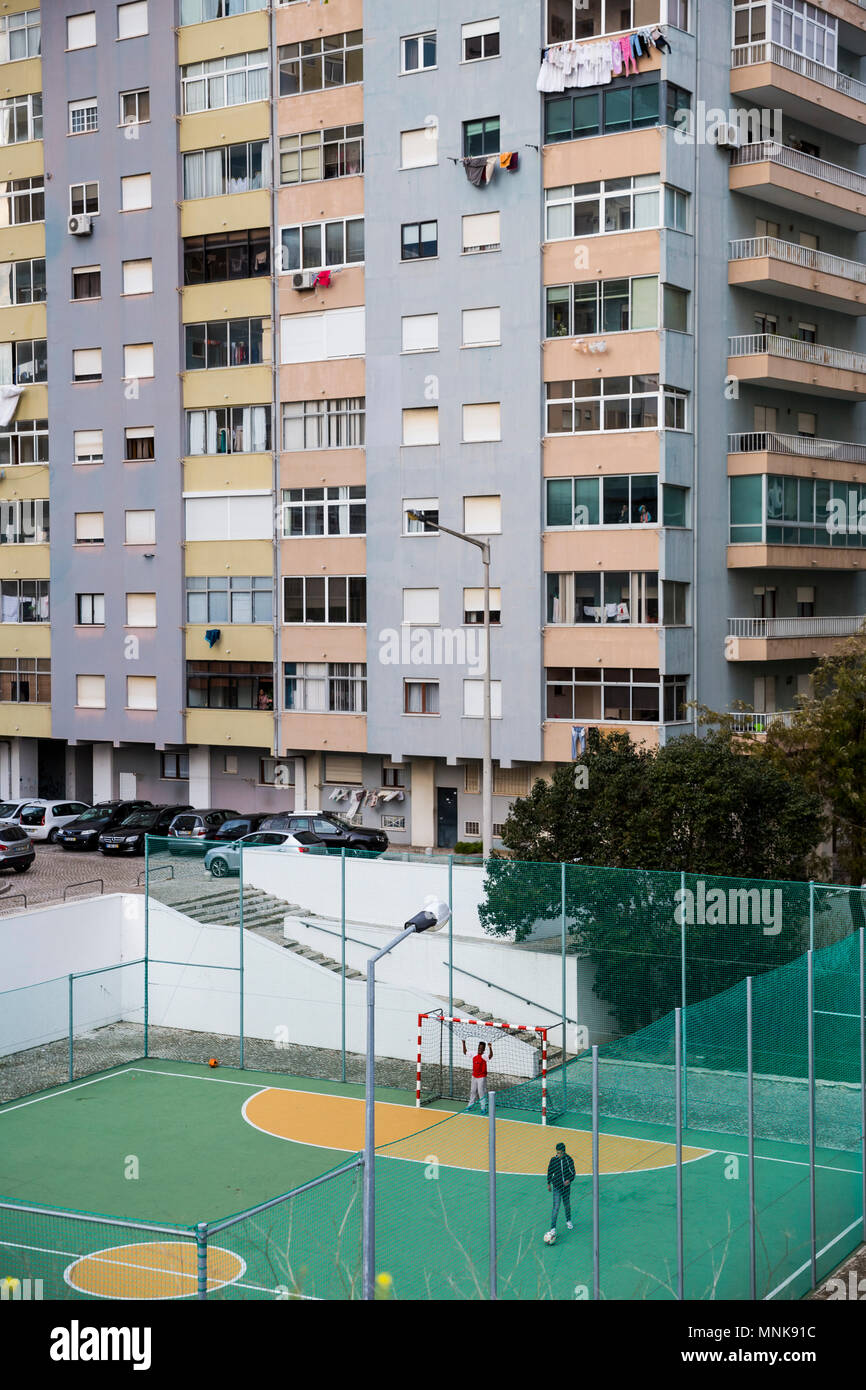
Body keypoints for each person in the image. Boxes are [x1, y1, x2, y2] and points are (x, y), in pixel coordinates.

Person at [546, 1141, 576, 1238]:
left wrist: (569, 1180)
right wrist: (548, 1183)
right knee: (556, 1207)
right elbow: (550, 1171)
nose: (558, 1155)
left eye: (559, 1153)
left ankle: (568, 1220)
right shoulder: (553, 1160)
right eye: (557, 1152)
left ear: (564, 1152)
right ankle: (553, 1228)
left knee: (567, 1205)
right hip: (557, 1187)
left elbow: (573, 1173)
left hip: (566, 1188)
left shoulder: (569, 1160)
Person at [462, 1038, 491, 1115]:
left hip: (481, 1077)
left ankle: (483, 1108)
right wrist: (463, 1043)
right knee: (473, 1091)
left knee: (481, 1092)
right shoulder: (474, 1053)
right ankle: (470, 1105)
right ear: (478, 1047)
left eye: (481, 1048)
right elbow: (465, 1052)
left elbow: (490, 1056)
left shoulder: (484, 1056)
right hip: (474, 1076)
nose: (480, 1049)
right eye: (479, 1048)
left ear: (484, 1049)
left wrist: (490, 1047)